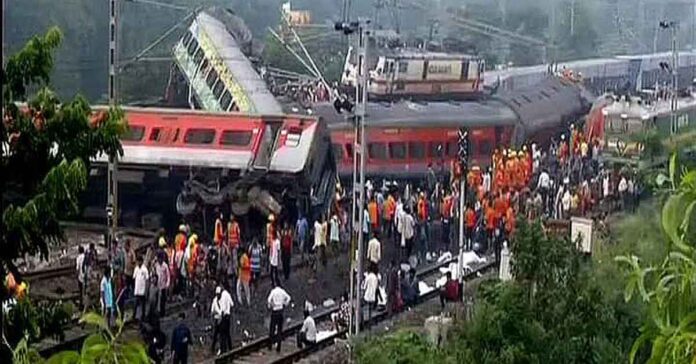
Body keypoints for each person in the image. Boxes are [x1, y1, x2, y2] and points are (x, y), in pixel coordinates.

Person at [267, 282, 292, 352]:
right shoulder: (282, 291)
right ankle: (278, 346)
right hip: (280, 311)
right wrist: (285, 304)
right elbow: (289, 298)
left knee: (272, 328)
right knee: (279, 330)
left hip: (274, 311)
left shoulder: (273, 291)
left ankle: (270, 345)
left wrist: (271, 306)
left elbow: (269, 300)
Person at [134, 256, 149, 321]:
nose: (138, 263)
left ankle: (143, 316)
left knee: (143, 304)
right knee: (136, 303)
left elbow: (147, 279)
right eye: (138, 261)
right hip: (137, 289)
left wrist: (146, 290)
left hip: (142, 289)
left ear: (142, 262)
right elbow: (134, 277)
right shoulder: (136, 269)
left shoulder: (144, 269)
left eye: (139, 261)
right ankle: (134, 316)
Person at [76, 246, 86, 310]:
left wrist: (77, 275)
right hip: (86, 276)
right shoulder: (86, 256)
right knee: (85, 291)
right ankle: (85, 304)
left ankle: (81, 305)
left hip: (81, 277)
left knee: (81, 291)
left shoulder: (79, 258)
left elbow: (77, 268)